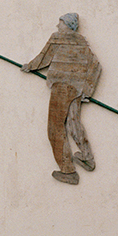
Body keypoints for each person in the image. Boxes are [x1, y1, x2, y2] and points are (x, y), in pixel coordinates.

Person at [22, 13, 101, 185]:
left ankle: (68, 171)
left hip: (61, 87)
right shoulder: (82, 43)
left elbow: (44, 57)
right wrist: (87, 91)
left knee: (55, 127)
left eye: (60, 23)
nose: (58, 27)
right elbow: (96, 66)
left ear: (67, 25)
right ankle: (87, 157)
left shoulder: (58, 38)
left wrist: (30, 66)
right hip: (76, 89)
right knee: (73, 123)